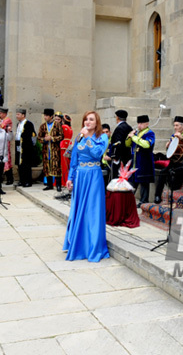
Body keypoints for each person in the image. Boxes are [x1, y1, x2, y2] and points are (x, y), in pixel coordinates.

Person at [63, 111, 110, 262]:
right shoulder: (79, 137)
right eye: (86, 119)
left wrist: (88, 137)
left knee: (93, 209)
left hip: (94, 176)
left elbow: (97, 154)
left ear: (97, 123)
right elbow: (74, 159)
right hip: (80, 176)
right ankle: (79, 243)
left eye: (91, 120)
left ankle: (93, 246)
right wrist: (70, 178)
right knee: (78, 209)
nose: (88, 122)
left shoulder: (102, 137)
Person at [154, 116, 183, 204]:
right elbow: (170, 153)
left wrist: (182, 138)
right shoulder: (173, 136)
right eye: (174, 125)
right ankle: (157, 195)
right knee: (163, 172)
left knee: (175, 174)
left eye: (177, 125)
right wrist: (167, 147)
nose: (175, 127)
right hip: (174, 162)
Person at [125, 115, 155, 207]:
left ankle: (143, 201)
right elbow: (127, 144)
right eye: (138, 123)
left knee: (144, 182)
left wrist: (134, 137)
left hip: (144, 162)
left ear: (147, 123)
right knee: (132, 181)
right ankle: (128, 200)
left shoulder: (150, 133)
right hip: (135, 161)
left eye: (141, 123)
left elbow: (146, 145)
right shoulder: (137, 133)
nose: (139, 125)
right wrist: (129, 137)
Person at [38, 108, 63, 191]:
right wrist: (44, 139)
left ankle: (58, 185)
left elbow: (61, 136)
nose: (45, 117)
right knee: (47, 167)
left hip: (55, 150)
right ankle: (49, 185)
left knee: (56, 167)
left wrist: (52, 138)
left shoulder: (57, 125)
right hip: (46, 150)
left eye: (47, 116)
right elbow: (39, 138)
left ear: (51, 116)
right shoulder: (43, 126)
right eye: (44, 115)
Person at [14, 108, 36, 188]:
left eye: (18, 114)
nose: (17, 116)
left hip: (26, 147)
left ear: (23, 115)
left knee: (26, 164)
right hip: (19, 145)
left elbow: (33, 136)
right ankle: (22, 180)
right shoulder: (18, 124)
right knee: (20, 164)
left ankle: (28, 181)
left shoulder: (28, 124)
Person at [108, 109, 132, 179]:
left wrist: (115, 157)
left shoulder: (120, 128)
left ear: (117, 117)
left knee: (116, 176)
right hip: (126, 155)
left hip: (120, 157)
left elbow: (118, 143)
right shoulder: (129, 127)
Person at [56, 111, 73, 188]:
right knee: (68, 163)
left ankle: (64, 181)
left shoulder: (63, 127)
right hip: (69, 144)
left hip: (63, 145)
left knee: (63, 164)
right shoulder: (70, 128)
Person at [0, 108, 14, 185]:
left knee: (7, 161)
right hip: (0, 143)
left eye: (0, 113)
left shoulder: (7, 120)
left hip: (5, 142)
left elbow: (1, 127)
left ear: (4, 114)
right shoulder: (1, 120)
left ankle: (10, 178)